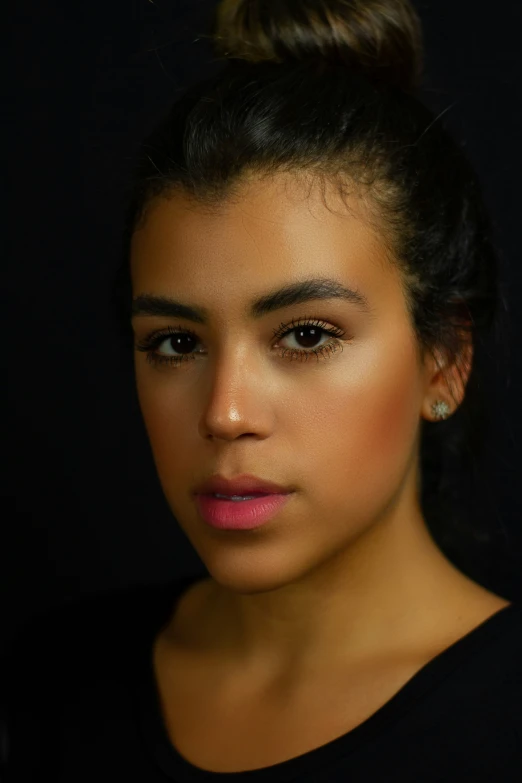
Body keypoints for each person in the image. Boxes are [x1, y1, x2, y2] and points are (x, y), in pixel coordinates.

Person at [1, 1, 521, 780]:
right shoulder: (48, 684)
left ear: (442, 360)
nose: (225, 412)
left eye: (307, 334)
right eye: (177, 343)